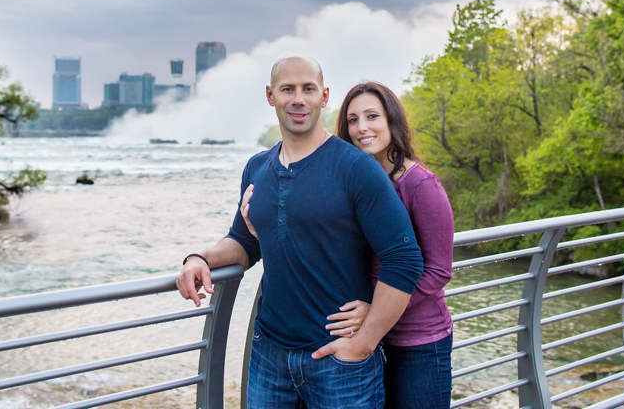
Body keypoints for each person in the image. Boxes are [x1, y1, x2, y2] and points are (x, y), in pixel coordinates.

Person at [176, 56, 423, 409]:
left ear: (323, 96)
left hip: (339, 362)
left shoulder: (356, 168)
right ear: (270, 95)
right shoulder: (257, 168)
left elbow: (405, 259)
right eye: (287, 89)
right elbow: (244, 243)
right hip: (268, 356)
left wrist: (364, 343)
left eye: (308, 89)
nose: (298, 99)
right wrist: (200, 258)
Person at [242, 81, 454, 409]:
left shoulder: (420, 185)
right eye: (353, 120)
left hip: (416, 339)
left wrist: (373, 313)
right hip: (370, 332)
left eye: (372, 116)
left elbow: (437, 270)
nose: (362, 128)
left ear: (391, 121)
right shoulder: (354, 177)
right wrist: (261, 231)